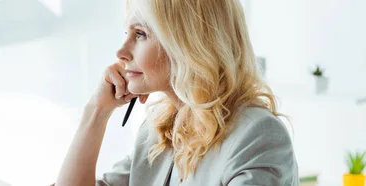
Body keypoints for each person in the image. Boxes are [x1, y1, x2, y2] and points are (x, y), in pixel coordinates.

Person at [54, 0, 299, 185]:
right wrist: (95, 113)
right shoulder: (158, 132)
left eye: (140, 34)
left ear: (187, 43)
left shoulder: (257, 135)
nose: (122, 51)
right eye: (125, 33)